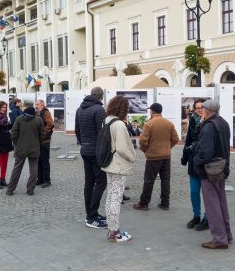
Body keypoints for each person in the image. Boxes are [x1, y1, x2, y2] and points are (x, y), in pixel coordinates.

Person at [193, 99, 233, 249]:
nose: (201, 111)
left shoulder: (209, 126)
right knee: (221, 203)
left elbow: (206, 152)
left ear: (208, 111)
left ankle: (219, 239)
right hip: (221, 168)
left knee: (212, 206)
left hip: (210, 170)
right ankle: (226, 235)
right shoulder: (223, 122)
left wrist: (196, 161)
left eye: (203, 109)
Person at [133, 102, 179, 211]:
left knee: (149, 180)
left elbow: (143, 141)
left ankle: (144, 203)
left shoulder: (149, 124)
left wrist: (146, 151)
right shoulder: (169, 123)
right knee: (165, 179)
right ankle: (165, 203)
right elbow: (176, 139)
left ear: (152, 111)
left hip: (153, 156)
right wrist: (167, 147)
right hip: (166, 155)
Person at [102, 96, 136, 242]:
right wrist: (132, 157)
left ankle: (111, 228)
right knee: (116, 198)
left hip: (109, 163)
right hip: (118, 165)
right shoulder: (119, 124)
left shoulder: (107, 120)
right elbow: (123, 148)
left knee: (111, 197)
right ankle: (114, 232)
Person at [75, 86, 107, 228]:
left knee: (89, 182)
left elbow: (77, 131)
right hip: (95, 151)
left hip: (85, 149)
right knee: (101, 182)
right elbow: (102, 133)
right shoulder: (99, 110)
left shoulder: (80, 109)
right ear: (101, 97)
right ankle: (92, 216)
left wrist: (84, 144)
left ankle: (91, 213)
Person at [181, 98, 208, 231]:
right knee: (194, 192)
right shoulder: (192, 120)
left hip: (206, 163)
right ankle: (196, 215)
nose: (200, 110)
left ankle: (207, 218)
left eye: (202, 107)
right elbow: (189, 140)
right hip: (193, 161)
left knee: (208, 193)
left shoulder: (210, 122)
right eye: (198, 108)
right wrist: (184, 157)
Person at [7, 107, 44, 196]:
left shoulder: (19, 119)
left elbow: (13, 133)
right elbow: (42, 134)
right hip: (34, 148)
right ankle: (30, 190)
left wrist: (17, 143)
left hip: (21, 147)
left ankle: (10, 189)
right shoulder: (39, 120)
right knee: (34, 169)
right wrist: (38, 142)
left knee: (17, 169)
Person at [35, 99, 54, 188]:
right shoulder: (38, 113)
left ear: (42, 105)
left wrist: (43, 134)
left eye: (38, 104)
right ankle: (40, 179)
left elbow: (50, 124)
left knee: (45, 161)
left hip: (45, 141)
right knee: (38, 161)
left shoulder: (46, 113)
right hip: (38, 141)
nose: (36, 106)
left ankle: (47, 180)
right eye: (36, 104)